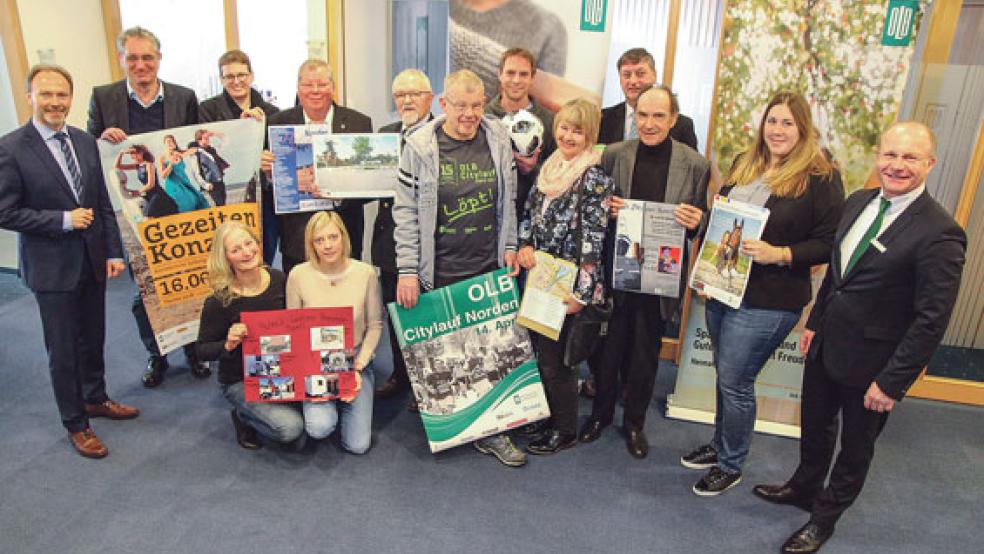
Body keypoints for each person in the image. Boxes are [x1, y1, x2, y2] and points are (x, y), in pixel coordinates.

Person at [754, 121, 966, 554]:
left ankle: (824, 519)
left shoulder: (940, 232)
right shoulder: (858, 202)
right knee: (814, 424)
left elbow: (932, 318)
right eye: (890, 154)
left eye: (910, 157)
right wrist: (813, 322)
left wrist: (893, 381)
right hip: (827, 343)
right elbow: (837, 273)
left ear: (930, 163)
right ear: (878, 156)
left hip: (875, 363)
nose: (897, 165)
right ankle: (803, 487)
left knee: (855, 446)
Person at [679, 92, 845, 497]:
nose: (778, 130)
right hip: (724, 288)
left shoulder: (820, 176)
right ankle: (720, 445)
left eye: (788, 123)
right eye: (773, 121)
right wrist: (703, 225)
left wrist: (781, 253)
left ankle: (731, 463)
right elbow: (725, 223)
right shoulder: (744, 162)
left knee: (736, 379)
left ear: (802, 128)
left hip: (770, 299)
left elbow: (829, 243)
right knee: (725, 374)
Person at [0, 64, 139, 459]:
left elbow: (104, 204)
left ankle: (96, 398)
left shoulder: (84, 141)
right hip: (51, 268)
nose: (55, 102)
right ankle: (76, 423)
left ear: (71, 98)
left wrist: (113, 252)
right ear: (30, 97)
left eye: (61, 95)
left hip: (93, 261)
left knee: (93, 338)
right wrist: (61, 220)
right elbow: (4, 211)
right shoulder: (10, 148)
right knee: (62, 349)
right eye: (46, 94)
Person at [393, 69, 524, 467]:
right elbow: (406, 212)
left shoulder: (499, 137)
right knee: (447, 353)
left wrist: (511, 245)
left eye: (477, 105)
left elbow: (510, 198)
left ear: (485, 104)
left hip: (487, 262)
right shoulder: (419, 146)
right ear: (443, 104)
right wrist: (407, 270)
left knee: (493, 351)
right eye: (460, 106)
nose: (469, 114)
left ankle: (495, 432)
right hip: (441, 266)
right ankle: (453, 424)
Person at [579, 86, 709, 459]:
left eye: (658, 116)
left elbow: (700, 222)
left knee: (645, 352)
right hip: (618, 270)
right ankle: (600, 416)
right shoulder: (615, 155)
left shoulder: (695, 165)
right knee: (608, 349)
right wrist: (608, 209)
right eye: (643, 115)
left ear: (673, 119)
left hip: (661, 277)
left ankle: (634, 423)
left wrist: (696, 220)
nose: (649, 123)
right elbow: (594, 210)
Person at [86, 26, 206, 387]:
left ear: (159, 59)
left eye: (147, 57)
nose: (141, 65)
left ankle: (194, 351)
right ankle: (158, 355)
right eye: (133, 57)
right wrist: (101, 140)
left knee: (189, 280)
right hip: (136, 210)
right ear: (121, 59)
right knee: (147, 289)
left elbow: (193, 149)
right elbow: (90, 151)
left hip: (177, 205)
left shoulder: (183, 97)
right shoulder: (104, 97)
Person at [516, 98, 613, 454]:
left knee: (561, 362)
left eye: (577, 130)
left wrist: (582, 295)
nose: (568, 135)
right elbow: (529, 213)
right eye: (564, 127)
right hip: (542, 276)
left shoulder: (594, 177)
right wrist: (525, 243)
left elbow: (594, 240)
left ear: (589, 135)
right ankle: (547, 418)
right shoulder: (549, 167)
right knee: (542, 354)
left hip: (570, 285)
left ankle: (565, 429)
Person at [197, 222, 305, 449]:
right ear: (226, 258)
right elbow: (202, 349)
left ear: (258, 244)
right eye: (236, 250)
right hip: (241, 379)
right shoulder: (219, 300)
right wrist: (227, 343)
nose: (246, 252)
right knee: (291, 430)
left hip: (282, 369)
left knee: (316, 421)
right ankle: (242, 416)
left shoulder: (278, 279)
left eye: (249, 243)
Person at [259, 59, 372, 275]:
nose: (315, 91)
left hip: (344, 232)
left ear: (332, 87)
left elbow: (367, 186)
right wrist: (268, 173)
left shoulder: (359, 124)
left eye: (321, 84)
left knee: (345, 302)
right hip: (297, 238)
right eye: (308, 85)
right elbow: (269, 185)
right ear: (298, 89)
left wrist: (338, 195)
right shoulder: (277, 123)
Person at [287, 211, 383, 455]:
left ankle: (345, 395)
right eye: (319, 240)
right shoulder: (298, 275)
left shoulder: (365, 273)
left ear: (343, 237)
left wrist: (358, 367)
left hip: (355, 358)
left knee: (358, 445)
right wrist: (308, 375)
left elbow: (375, 326)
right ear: (311, 244)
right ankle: (313, 401)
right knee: (319, 427)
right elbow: (293, 329)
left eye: (333, 237)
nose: (328, 245)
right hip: (315, 361)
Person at [373, 69, 435, 406]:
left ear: (431, 97)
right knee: (396, 312)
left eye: (414, 94)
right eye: (400, 95)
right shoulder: (384, 136)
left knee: (425, 316)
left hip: (428, 245)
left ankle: (426, 381)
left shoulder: (442, 135)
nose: (407, 101)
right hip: (388, 241)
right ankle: (400, 374)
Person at [199, 49, 280, 262]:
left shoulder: (273, 112)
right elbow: (208, 148)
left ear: (251, 76)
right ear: (221, 79)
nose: (236, 81)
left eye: (241, 75)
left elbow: (279, 154)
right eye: (229, 76)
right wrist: (240, 128)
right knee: (228, 255)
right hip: (228, 194)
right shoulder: (206, 110)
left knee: (264, 251)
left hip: (265, 197)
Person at [485, 47, 556, 221]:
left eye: (523, 74)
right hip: (488, 217)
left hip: (531, 219)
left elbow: (558, 178)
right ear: (499, 74)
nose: (516, 80)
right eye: (510, 73)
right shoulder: (484, 118)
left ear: (532, 78)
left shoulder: (550, 121)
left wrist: (533, 170)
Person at [597, 48, 698, 150]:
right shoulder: (603, 118)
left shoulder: (682, 125)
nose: (633, 81)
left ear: (654, 75)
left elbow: (691, 164)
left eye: (640, 74)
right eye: (626, 75)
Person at [114, 145, 176, 218]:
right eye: (132, 153)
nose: (134, 155)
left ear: (142, 153)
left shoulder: (149, 165)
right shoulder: (137, 166)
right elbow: (117, 166)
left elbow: (151, 184)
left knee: (150, 217)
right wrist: (121, 153)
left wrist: (138, 191)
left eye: (136, 153)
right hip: (148, 195)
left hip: (158, 195)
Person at [159, 134, 210, 212]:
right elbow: (163, 176)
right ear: (164, 144)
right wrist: (171, 163)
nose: (170, 143)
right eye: (168, 142)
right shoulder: (163, 158)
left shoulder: (179, 153)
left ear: (175, 144)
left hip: (185, 182)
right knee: (183, 204)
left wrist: (182, 155)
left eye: (172, 141)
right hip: (173, 185)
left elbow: (194, 149)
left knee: (197, 198)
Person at [188, 129, 230, 206]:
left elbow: (226, 140)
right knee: (220, 204)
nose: (208, 140)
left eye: (208, 138)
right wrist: (205, 185)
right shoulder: (195, 154)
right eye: (206, 138)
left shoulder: (212, 149)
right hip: (210, 183)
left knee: (223, 205)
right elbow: (195, 172)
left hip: (220, 181)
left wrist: (214, 133)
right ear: (199, 140)